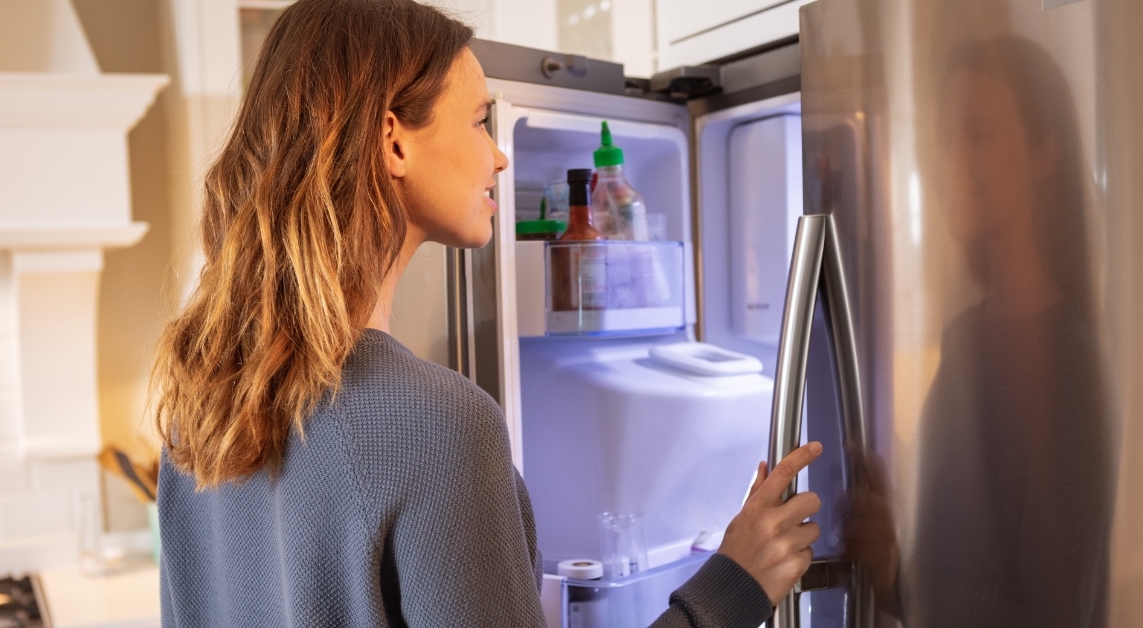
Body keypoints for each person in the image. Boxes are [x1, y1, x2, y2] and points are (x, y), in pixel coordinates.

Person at [152, 1, 823, 626]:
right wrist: (730, 586)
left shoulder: (198, 409)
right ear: (394, 141)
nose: (500, 155)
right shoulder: (437, 425)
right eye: (479, 122)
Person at [845, 36, 1114, 627]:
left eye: (979, 134)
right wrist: (889, 567)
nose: (951, 160)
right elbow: (947, 597)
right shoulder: (966, 340)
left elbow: (1052, 613)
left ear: (1046, 155)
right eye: (945, 136)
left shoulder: (1071, 362)